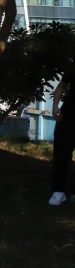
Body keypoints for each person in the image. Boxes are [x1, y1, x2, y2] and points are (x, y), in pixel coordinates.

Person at [49, 67, 75, 205]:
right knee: (61, 153)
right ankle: (58, 191)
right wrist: (55, 106)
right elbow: (62, 85)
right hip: (68, 116)